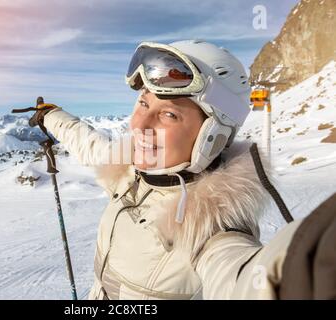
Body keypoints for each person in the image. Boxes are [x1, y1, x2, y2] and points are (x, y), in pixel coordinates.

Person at [30, 40, 335, 299]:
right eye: (143, 103)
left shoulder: (212, 226)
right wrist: (53, 116)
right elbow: (89, 144)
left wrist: (305, 268)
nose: (139, 124)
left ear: (211, 134)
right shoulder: (131, 170)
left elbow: (244, 277)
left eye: (169, 114)